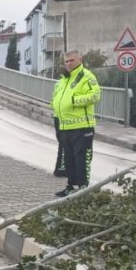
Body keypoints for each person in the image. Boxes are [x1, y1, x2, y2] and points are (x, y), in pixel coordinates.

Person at [51, 50, 102, 196]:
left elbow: (95, 95)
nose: (68, 64)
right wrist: (54, 104)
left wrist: (74, 101)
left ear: (80, 59)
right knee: (69, 159)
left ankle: (82, 189)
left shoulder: (86, 76)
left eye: (71, 60)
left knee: (81, 159)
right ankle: (71, 186)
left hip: (82, 126)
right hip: (65, 126)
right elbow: (57, 97)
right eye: (66, 61)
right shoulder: (64, 79)